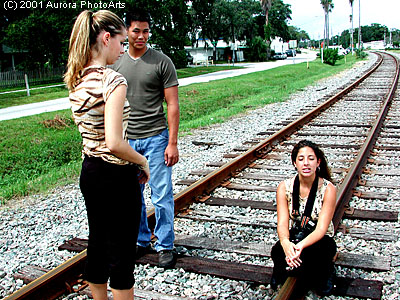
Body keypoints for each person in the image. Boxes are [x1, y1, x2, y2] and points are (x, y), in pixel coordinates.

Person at [64, 10, 150, 300]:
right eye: (122, 42)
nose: (123, 49)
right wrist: (142, 160)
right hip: (116, 175)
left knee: (98, 243)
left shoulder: (76, 79)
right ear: (106, 38)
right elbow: (115, 142)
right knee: (123, 253)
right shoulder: (114, 81)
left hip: (90, 172)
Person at [111, 9, 179, 269]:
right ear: (127, 31)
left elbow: (172, 105)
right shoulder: (116, 62)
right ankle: (141, 240)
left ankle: (165, 245)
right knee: (132, 195)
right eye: (136, 30)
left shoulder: (162, 62)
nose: (141, 36)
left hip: (156, 138)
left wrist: (172, 142)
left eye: (146, 31)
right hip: (127, 142)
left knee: (161, 195)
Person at [270, 140, 337, 296]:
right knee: (277, 251)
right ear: (295, 163)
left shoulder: (328, 189)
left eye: (311, 159)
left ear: (318, 162)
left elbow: (321, 229)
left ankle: (327, 271)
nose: (306, 163)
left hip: (319, 239)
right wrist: (286, 244)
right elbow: (282, 223)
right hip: (296, 234)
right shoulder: (284, 187)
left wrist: (299, 247)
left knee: (319, 255)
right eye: (301, 159)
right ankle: (282, 267)